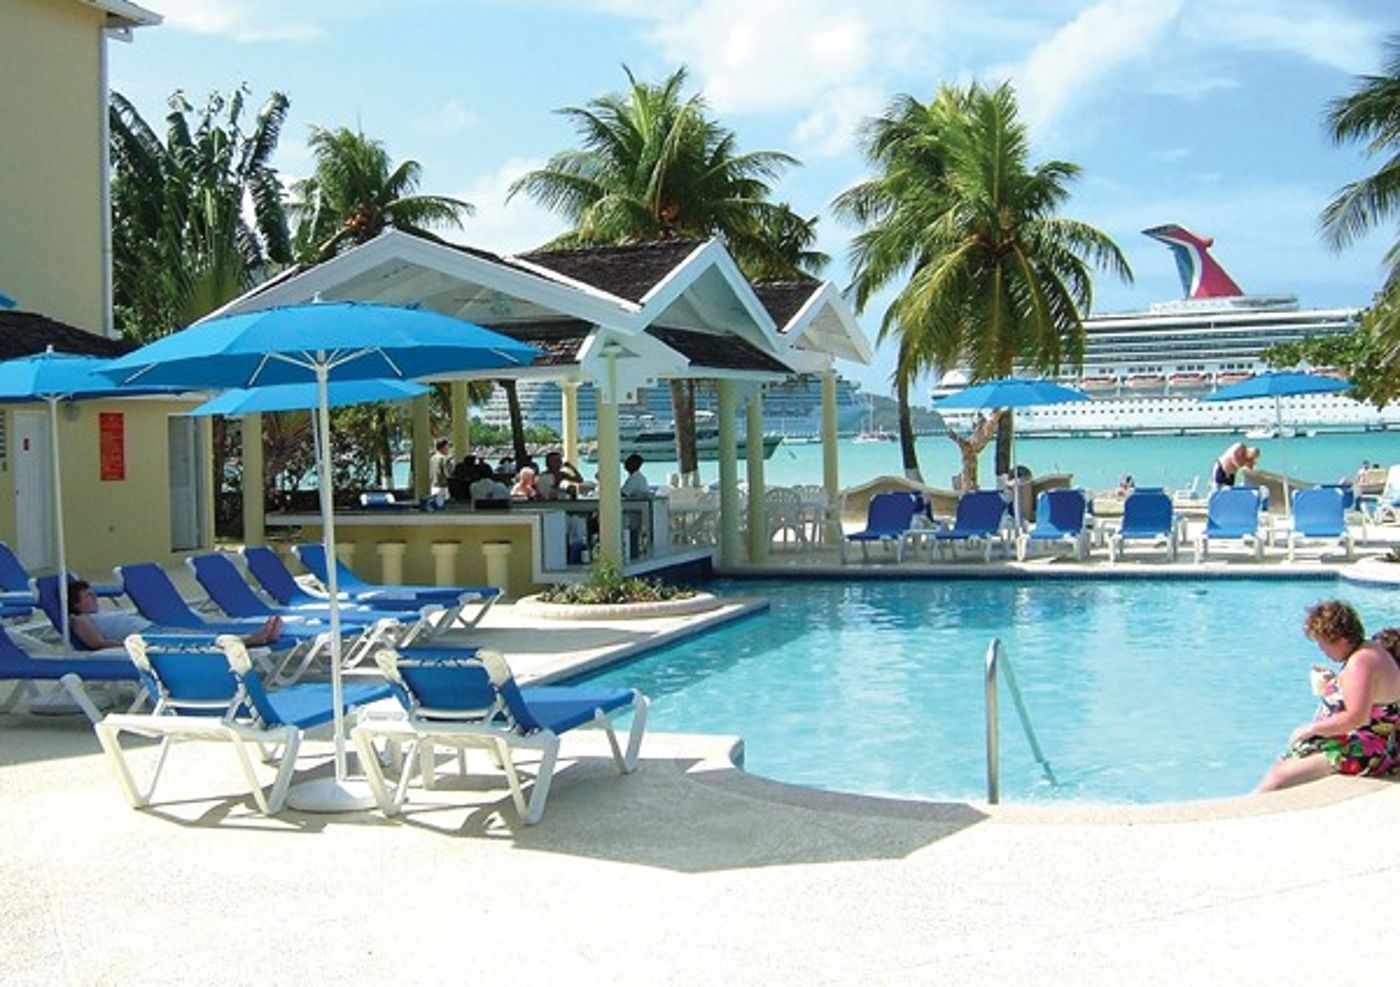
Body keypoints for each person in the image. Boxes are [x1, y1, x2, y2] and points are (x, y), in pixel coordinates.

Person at [1256, 601, 1400, 792]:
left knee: (1278, 778)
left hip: (1368, 750)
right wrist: (1334, 683)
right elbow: (1366, 695)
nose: (1322, 650)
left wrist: (1310, 729)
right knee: (1284, 765)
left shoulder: (1361, 663)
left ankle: (1243, 816)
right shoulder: (1367, 650)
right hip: (1364, 742)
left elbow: (1357, 717)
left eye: (1322, 642)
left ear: (1340, 639)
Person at [66, 579, 283, 651]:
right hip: (145, 638)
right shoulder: (80, 620)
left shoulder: (98, 614)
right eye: (87, 596)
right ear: (75, 604)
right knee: (196, 643)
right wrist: (132, 646)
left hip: (151, 630)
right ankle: (253, 639)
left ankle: (255, 638)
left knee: (198, 638)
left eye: (93, 594)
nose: (94, 597)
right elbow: (97, 643)